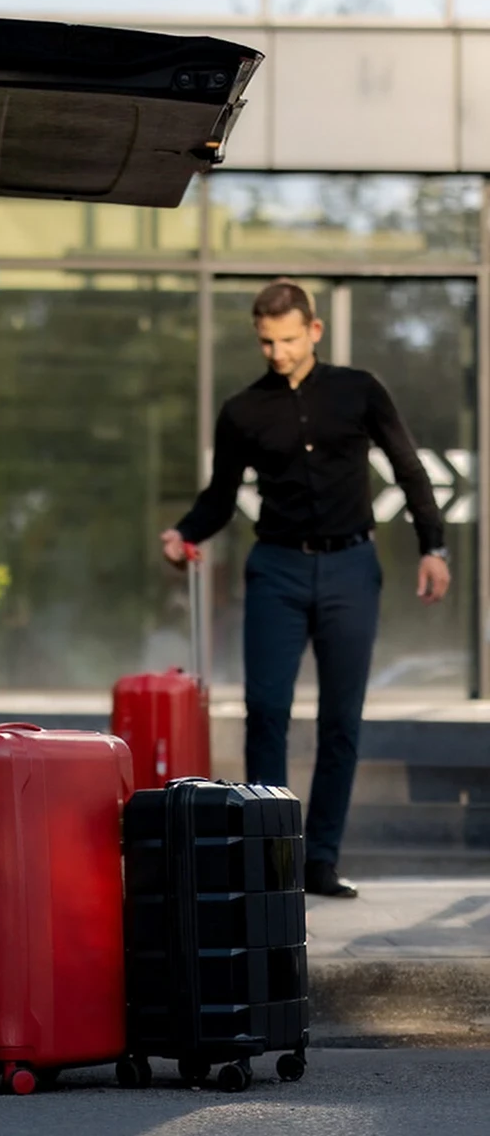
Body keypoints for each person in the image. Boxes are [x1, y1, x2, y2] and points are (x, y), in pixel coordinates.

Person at [162, 280, 450, 900]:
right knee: (266, 711)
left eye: (289, 339)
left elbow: (408, 466)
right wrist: (183, 532)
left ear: (313, 331)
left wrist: (434, 546)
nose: (278, 352)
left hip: (351, 568)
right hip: (277, 571)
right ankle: (271, 863)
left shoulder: (359, 390)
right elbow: (219, 496)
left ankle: (319, 860)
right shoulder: (243, 410)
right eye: (267, 342)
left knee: (341, 720)